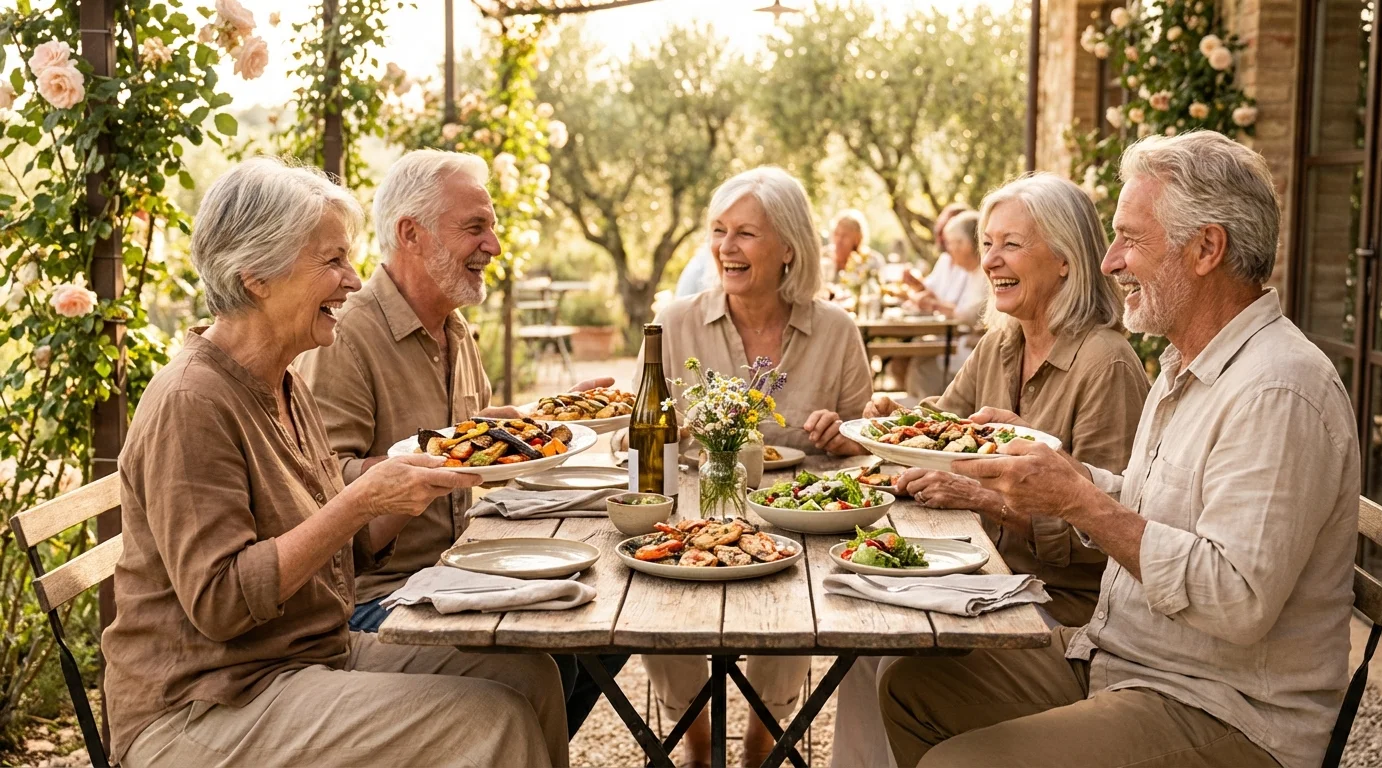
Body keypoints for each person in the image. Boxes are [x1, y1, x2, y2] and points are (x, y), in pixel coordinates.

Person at [880, 131, 1357, 768]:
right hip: (1119, 660)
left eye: (1130, 238)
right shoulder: (1184, 368)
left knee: (961, 763)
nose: (1108, 261)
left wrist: (1081, 504)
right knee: (913, 690)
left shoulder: (1278, 388)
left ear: (1206, 248)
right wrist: (1061, 477)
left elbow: (1236, 598)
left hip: (1224, 708)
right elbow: (1144, 505)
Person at [103, 157, 568, 767]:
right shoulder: (192, 400)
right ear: (256, 278)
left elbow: (340, 551)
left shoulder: (283, 383)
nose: (354, 280)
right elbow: (219, 602)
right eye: (332, 261)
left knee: (529, 677)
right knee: (490, 720)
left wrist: (407, 491)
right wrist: (359, 501)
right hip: (207, 702)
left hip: (305, 658)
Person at [293, 148, 624, 737]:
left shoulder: (455, 329)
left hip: (465, 568)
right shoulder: (346, 336)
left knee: (606, 621)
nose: (493, 244)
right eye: (475, 227)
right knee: (564, 651)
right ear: (411, 234)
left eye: (491, 226)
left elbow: (467, 448)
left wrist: (532, 423)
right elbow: (323, 490)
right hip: (381, 599)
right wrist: (418, 468)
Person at [827, 173, 1149, 768]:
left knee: (888, 654)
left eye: (1011, 244)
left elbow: (1115, 535)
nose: (991, 260)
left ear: (1064, 260)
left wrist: (992, 502)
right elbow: (940, 427)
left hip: (1062, 609)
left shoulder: (1106, 365)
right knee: (862, 638)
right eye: (988, 243)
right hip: (988, 573)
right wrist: (889, 423)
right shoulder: (1001, 343)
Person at [641, 166, 873, 767]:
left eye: (745, 233)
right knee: (654, 588)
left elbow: (866, 443)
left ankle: (760, 743)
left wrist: (846, 437)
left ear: (789, 247)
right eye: (719, 231)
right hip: (690, 510)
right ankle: (695, 745)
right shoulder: (674, 321)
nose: (726, 247)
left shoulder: (838, 331)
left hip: (797, 519)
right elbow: (642, 435)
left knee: (796, 595)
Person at [899, 210, 990, 397]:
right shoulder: (971, 272)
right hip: (962, 342)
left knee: (921, 363)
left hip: (974, 348)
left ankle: (929, 413)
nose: (948, 250)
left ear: (965, 245)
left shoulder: (984, 274)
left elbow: (969, 316)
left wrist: (934, 305)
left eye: (951, 244)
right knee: (917, 358)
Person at [822, 208, 885, 290]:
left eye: (845, 236)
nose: (838, 240)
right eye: (836, 234)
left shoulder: (873, 261)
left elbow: (877, 291)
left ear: (857, 239)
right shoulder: (824, 256)